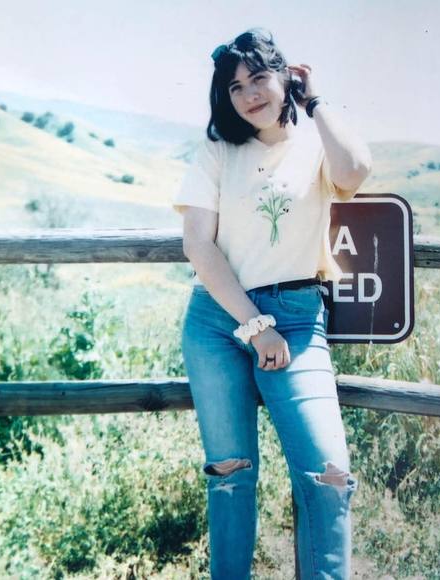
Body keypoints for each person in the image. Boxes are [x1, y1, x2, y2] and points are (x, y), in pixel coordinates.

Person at [172, 28, 372, 580]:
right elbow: (198, 245)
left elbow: (355, 170)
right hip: (219, 323)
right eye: (236, 87)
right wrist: (256, 325)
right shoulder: (218, 149)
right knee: (230, 475)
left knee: (329, 475)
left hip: (298, 320)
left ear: (286, 77)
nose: (249, 95)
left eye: (259, 78)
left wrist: (315, 101)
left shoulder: (314, 145)